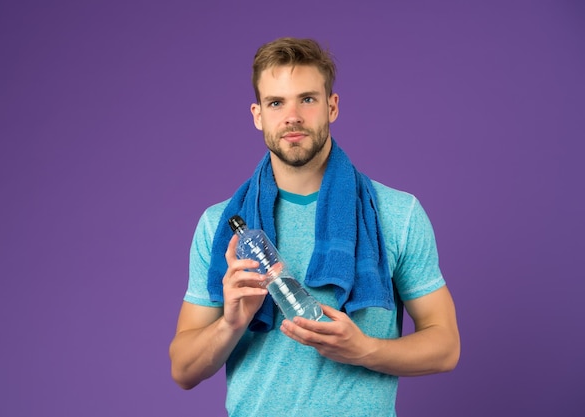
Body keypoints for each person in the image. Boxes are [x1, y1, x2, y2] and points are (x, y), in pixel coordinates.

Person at [169, 37, 460, 417]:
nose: (292, 116)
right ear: (258, 114)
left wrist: (364, 350)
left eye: (307, 99)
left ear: (331, 106)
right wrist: (231, 323)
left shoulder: (397, 213)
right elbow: (183, 370)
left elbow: (446, 347)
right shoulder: (220, 225)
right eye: (276, 102)